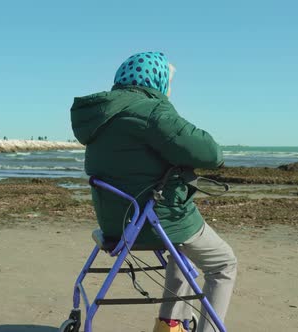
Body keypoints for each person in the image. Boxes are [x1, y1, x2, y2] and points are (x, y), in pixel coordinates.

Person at [70, 52, 237, 332]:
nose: (169, 91)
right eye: (168, 83)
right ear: (156, 80)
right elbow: (210, 152)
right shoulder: (153, 112)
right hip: (154, 222)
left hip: (115, 222)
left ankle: (169, 324)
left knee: (180, 254)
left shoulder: (101, 116)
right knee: (223, 263)